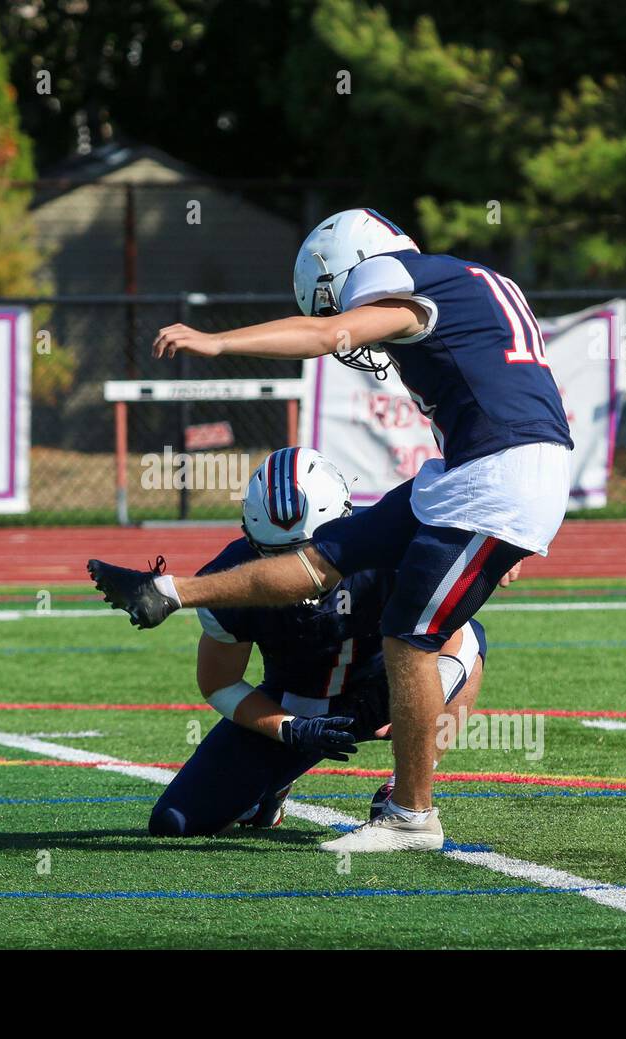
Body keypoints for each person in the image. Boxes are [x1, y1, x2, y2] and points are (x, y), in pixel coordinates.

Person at [90, 209, 568, 852]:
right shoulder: (470, 280)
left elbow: (333, 332)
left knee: (410, 636)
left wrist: (218, 342)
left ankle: (411, 815)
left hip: (496, 472)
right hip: (478, 467)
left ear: (349, 268)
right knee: (325, 560)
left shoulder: (403, 283)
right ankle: (169, 592)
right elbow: (516, 392)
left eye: (334, 295)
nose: (346, 320)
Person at [149, 447, 487, 838]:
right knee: (174, 822)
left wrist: (420, 707)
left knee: (468, 637)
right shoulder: (231, 576)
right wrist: (290, 728)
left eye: (305, 553)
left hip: (388, 691)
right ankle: (268, 792)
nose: (291, 572)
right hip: (295, 705)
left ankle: (408, 786)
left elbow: (463, 642)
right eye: (275, 554)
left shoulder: (390, 550)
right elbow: (219, 682)